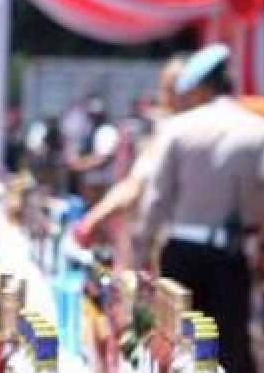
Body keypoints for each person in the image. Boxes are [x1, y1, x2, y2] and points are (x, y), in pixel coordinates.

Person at [135, 43, 264, 373]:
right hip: (229, 256)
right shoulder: (261, 131)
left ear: (201, 88)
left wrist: (139, 258)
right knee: (231, 351)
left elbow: (155, 201)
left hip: (180, 257)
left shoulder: (177, 129)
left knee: (177, 347)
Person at [72, 56, 186, 262]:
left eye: (167, 90)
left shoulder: (172, 130)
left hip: (168, 243)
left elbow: (135, 185)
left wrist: (91, 221)